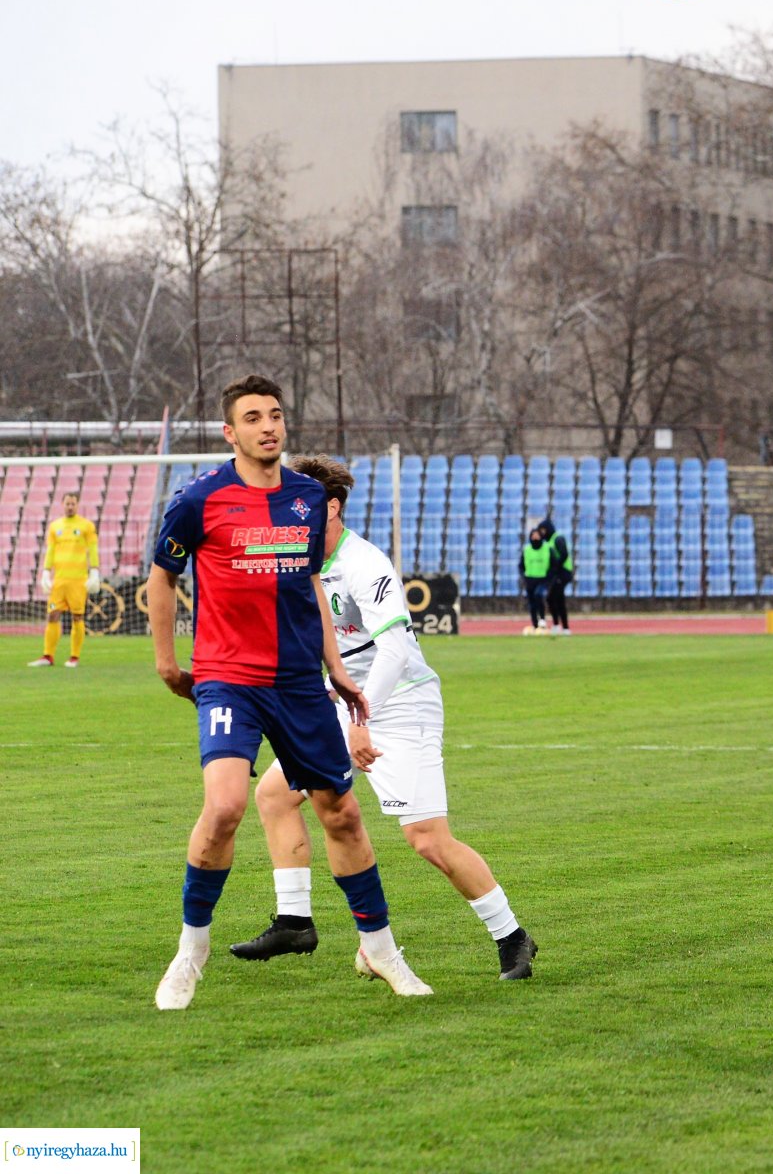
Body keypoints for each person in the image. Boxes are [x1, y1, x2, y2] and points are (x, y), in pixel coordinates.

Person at [148, 373, 432, 1010]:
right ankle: (190, 953)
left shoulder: (306, 499)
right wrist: (169, 662)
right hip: (228, 677)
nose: (268, 426)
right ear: (231, 432)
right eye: (253, 418)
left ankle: (383, 952)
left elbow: (310, 588)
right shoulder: (198, 499)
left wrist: (337, 669)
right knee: (225, 808)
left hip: (301, 681)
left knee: (343, 813)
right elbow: (162, 578)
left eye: (275, 415)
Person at [229, 455, 538, 980]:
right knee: (275, 795)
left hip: (399, 705)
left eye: (298, 503)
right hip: (341, 706)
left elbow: (394, 650)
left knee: (427, 838)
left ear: (331, 507)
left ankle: (513, 937)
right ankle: (294, 920)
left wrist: (361, 721)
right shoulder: (298, 563)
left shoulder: (365, 564)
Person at [30, 491, 98, 668]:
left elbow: (92, 549)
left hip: (78, 580)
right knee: (52, 615)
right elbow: (51, 550)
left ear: (77, 504)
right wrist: (45, 572)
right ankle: (48, 656)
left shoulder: (86, 526)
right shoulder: (55, 526)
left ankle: (74, 657)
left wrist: (95, 571)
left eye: (73, 503)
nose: (70, 506)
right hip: (59, 580)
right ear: (62, 504)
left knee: (77, 616)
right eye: (67, 503)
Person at [538, 517, 573, 635]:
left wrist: (556, 566)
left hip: (563, 572)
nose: (542, 533)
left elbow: (564, 554)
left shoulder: (557, 539)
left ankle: (562, 626)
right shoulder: (549, 541)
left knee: (554, 598)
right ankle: (561, 626)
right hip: (558, 573)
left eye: (543, 530)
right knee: (555, 599)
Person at [520, 525, 551, 634]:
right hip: (530, 579)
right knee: (531, 603)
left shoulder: (547, 548)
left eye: (537, 535)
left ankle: (542, 619)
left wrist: (550, 577)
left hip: (543, 578)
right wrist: (524, 576)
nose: (535, 537)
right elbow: (521, 565)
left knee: (539, 595)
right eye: (533, 535)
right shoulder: (527, 549)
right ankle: (535, 624)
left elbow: (553, 564)